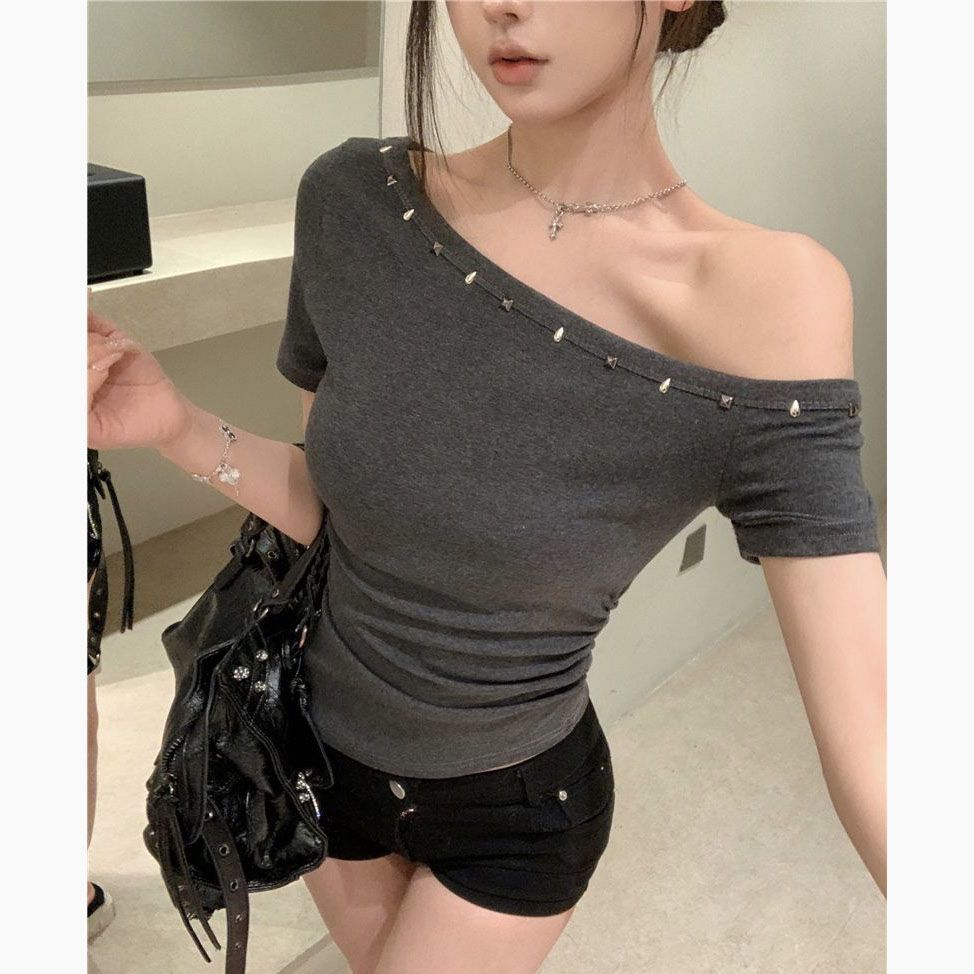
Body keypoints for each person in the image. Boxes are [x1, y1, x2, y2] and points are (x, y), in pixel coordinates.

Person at [86, 2, 887, 971]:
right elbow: (339, 517)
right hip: (316, 763)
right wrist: (173, 425)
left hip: (512, 816)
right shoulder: (354, 200)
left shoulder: (762, 299)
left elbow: (877, 736)